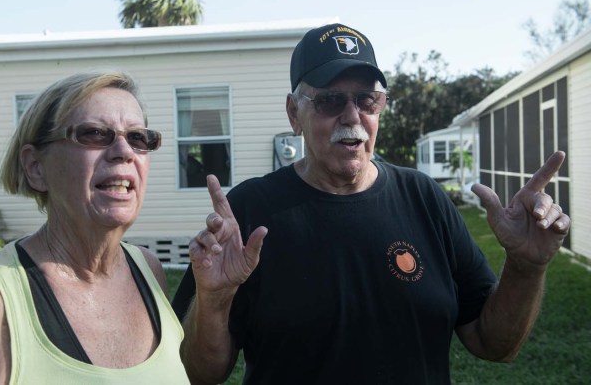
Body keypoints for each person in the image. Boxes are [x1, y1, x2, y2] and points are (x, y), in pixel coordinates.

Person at [171, 23, 571, 384]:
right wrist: (215, 298)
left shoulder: (424, 199)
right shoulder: (249, 212)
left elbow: (493, 344)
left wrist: (526, 267)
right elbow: (198, 374)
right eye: (330, 101)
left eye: (368, 100)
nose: (353, 116)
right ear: (294, 113)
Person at [0, 71, 190, 384]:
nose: (125, 151)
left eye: (137, 138)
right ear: (35, 167)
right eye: (93, 134)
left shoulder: (147, 270)